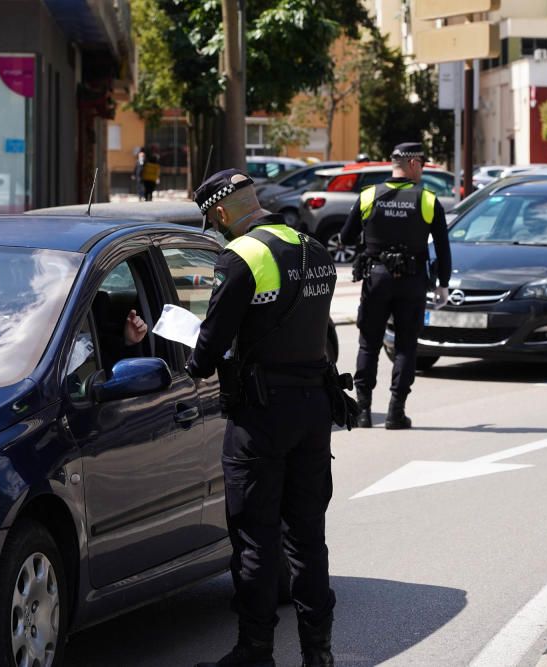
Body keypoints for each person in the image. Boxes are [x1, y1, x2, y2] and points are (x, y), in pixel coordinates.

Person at [187, 169, 338, 667]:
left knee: (256, 538)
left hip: (261, 417)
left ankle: (256, 651)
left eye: (213, 219)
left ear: (225, 212)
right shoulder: (313, 249)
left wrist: (186, 348)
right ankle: (319, 653)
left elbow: (207, 353)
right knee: (308, 538)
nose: (215, 228)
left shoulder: (243, 256)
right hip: (314, 409)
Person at [340, 142, 452, 429]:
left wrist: (371, 246)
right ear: (413, 164)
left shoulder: (368, 196)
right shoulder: (427, 200)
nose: (423, 170)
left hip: (376, 278)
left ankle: (363, 411)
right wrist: (443, 284)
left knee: (369, 344)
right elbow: (442, 247)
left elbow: (344, 236)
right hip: (412, 280)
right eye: (423, 165)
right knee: (405, 346)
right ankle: (395, 412)